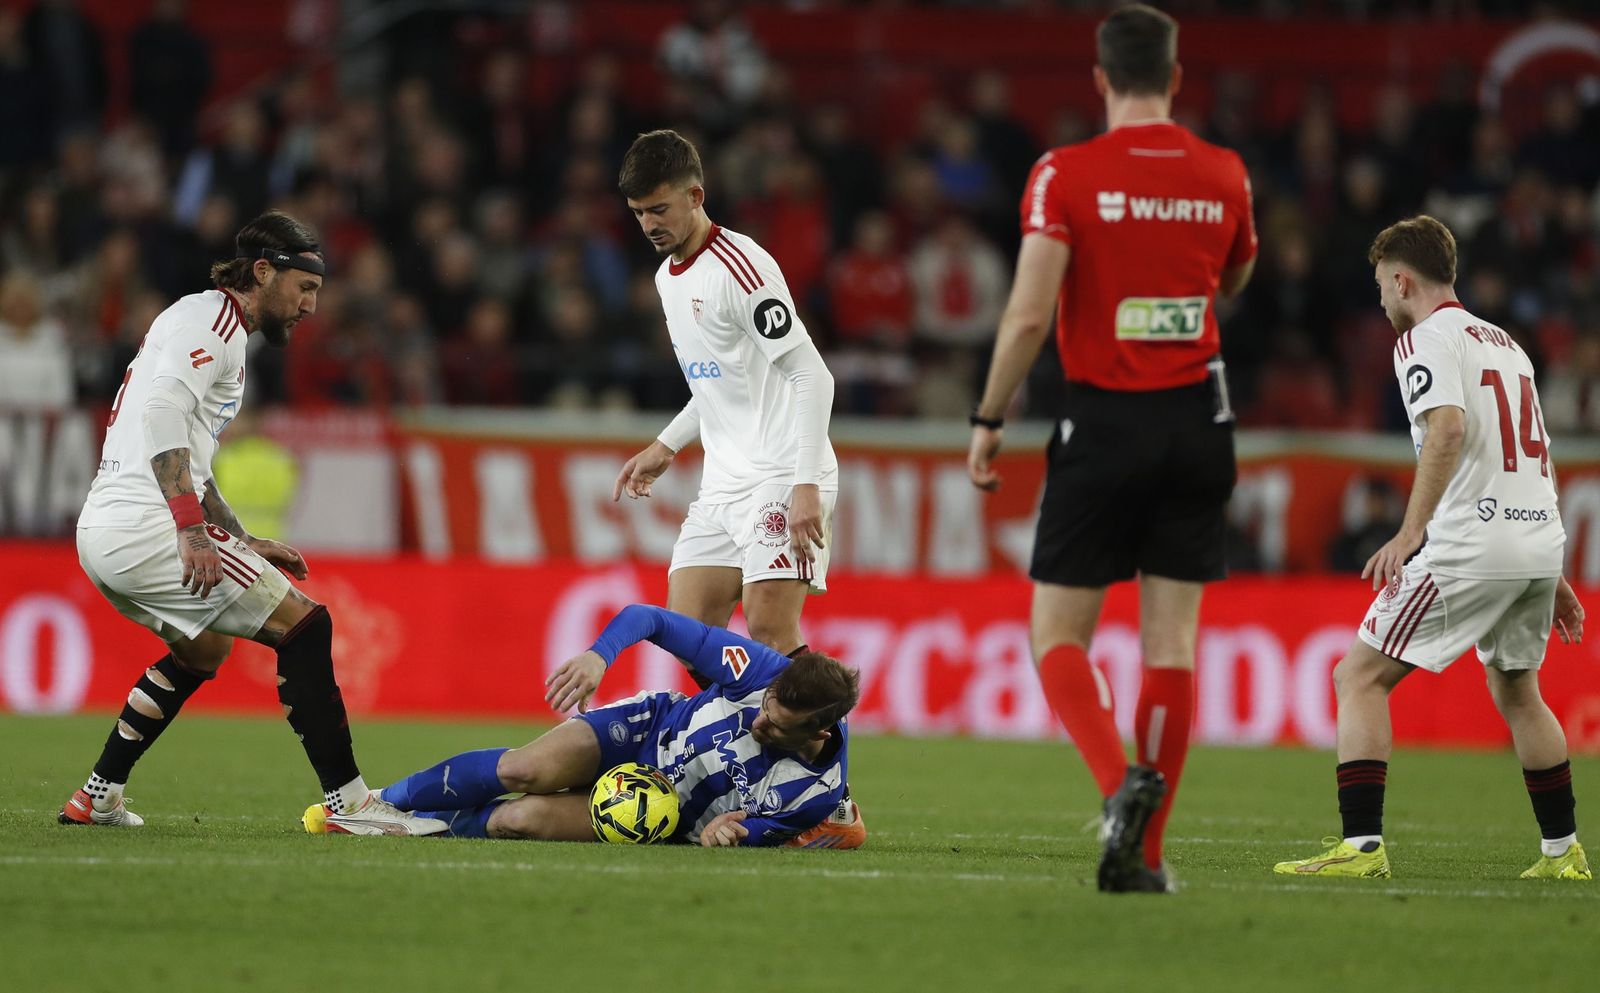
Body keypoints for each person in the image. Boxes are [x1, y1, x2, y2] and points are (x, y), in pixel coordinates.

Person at [965, 5, 1257, 893]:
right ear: (1175, 77)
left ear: (1100, 80)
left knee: (1057, 632)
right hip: (1200, 422)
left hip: (1103, 423)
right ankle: (1148, 856)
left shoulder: (1066, 174)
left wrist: (988, 417)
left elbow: (1026, 312)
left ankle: (1115, 784)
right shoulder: (1224, 172)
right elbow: (1235, 276)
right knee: (1171, 643)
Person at [62, 211, 443, 837]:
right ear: (264, 272)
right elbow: (161, 413)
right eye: (305, 288)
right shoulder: (213, 321)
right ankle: (350, 804)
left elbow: (195, 461)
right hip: (145, 524)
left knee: (202, 649)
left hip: (108, 528)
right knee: (305, 624)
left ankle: (97, 794)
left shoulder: (211, 328)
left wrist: (236, 541)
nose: (311, 306)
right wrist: (189, 531)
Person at [1274, 216, 1590, 882]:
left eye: (1382, 288)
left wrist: (1410, 530)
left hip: (1471, 540)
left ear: (1402, 278)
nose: (1382, 302)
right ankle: (1565, 855)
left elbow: (1447, 429)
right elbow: (1536, 453)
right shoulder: (1507, 343)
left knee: (1357, 677)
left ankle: (1361, 847)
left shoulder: (1423, 339)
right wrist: (1550, 563)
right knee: (1519, 691)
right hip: (1533, 534)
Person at [610, 129, 864, 848]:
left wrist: (806, 481)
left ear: (696, 195)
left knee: (773, 634)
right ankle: (749, 781)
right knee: (694, 638)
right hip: (723, 482)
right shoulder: (668, 279)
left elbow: (812, 374)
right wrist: (667, 443)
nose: (650, 224)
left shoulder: (742, 266)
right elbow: (718, 382)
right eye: (638, 212)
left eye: (660, 208)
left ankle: (833, 802)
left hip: (786, 473)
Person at [304, 604, 861, 848]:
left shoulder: (813, 794)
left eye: (774, 724)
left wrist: (728, 834)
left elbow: (752, 835)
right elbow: (651, 618)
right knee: (524, 769)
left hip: (660, 816)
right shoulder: (763, 671)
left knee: (517, 822)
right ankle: (374, 803)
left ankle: (421, 824)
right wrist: (600, 656)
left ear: (816, 734)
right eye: (763, 706)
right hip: (648, 730)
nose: (760, 717)